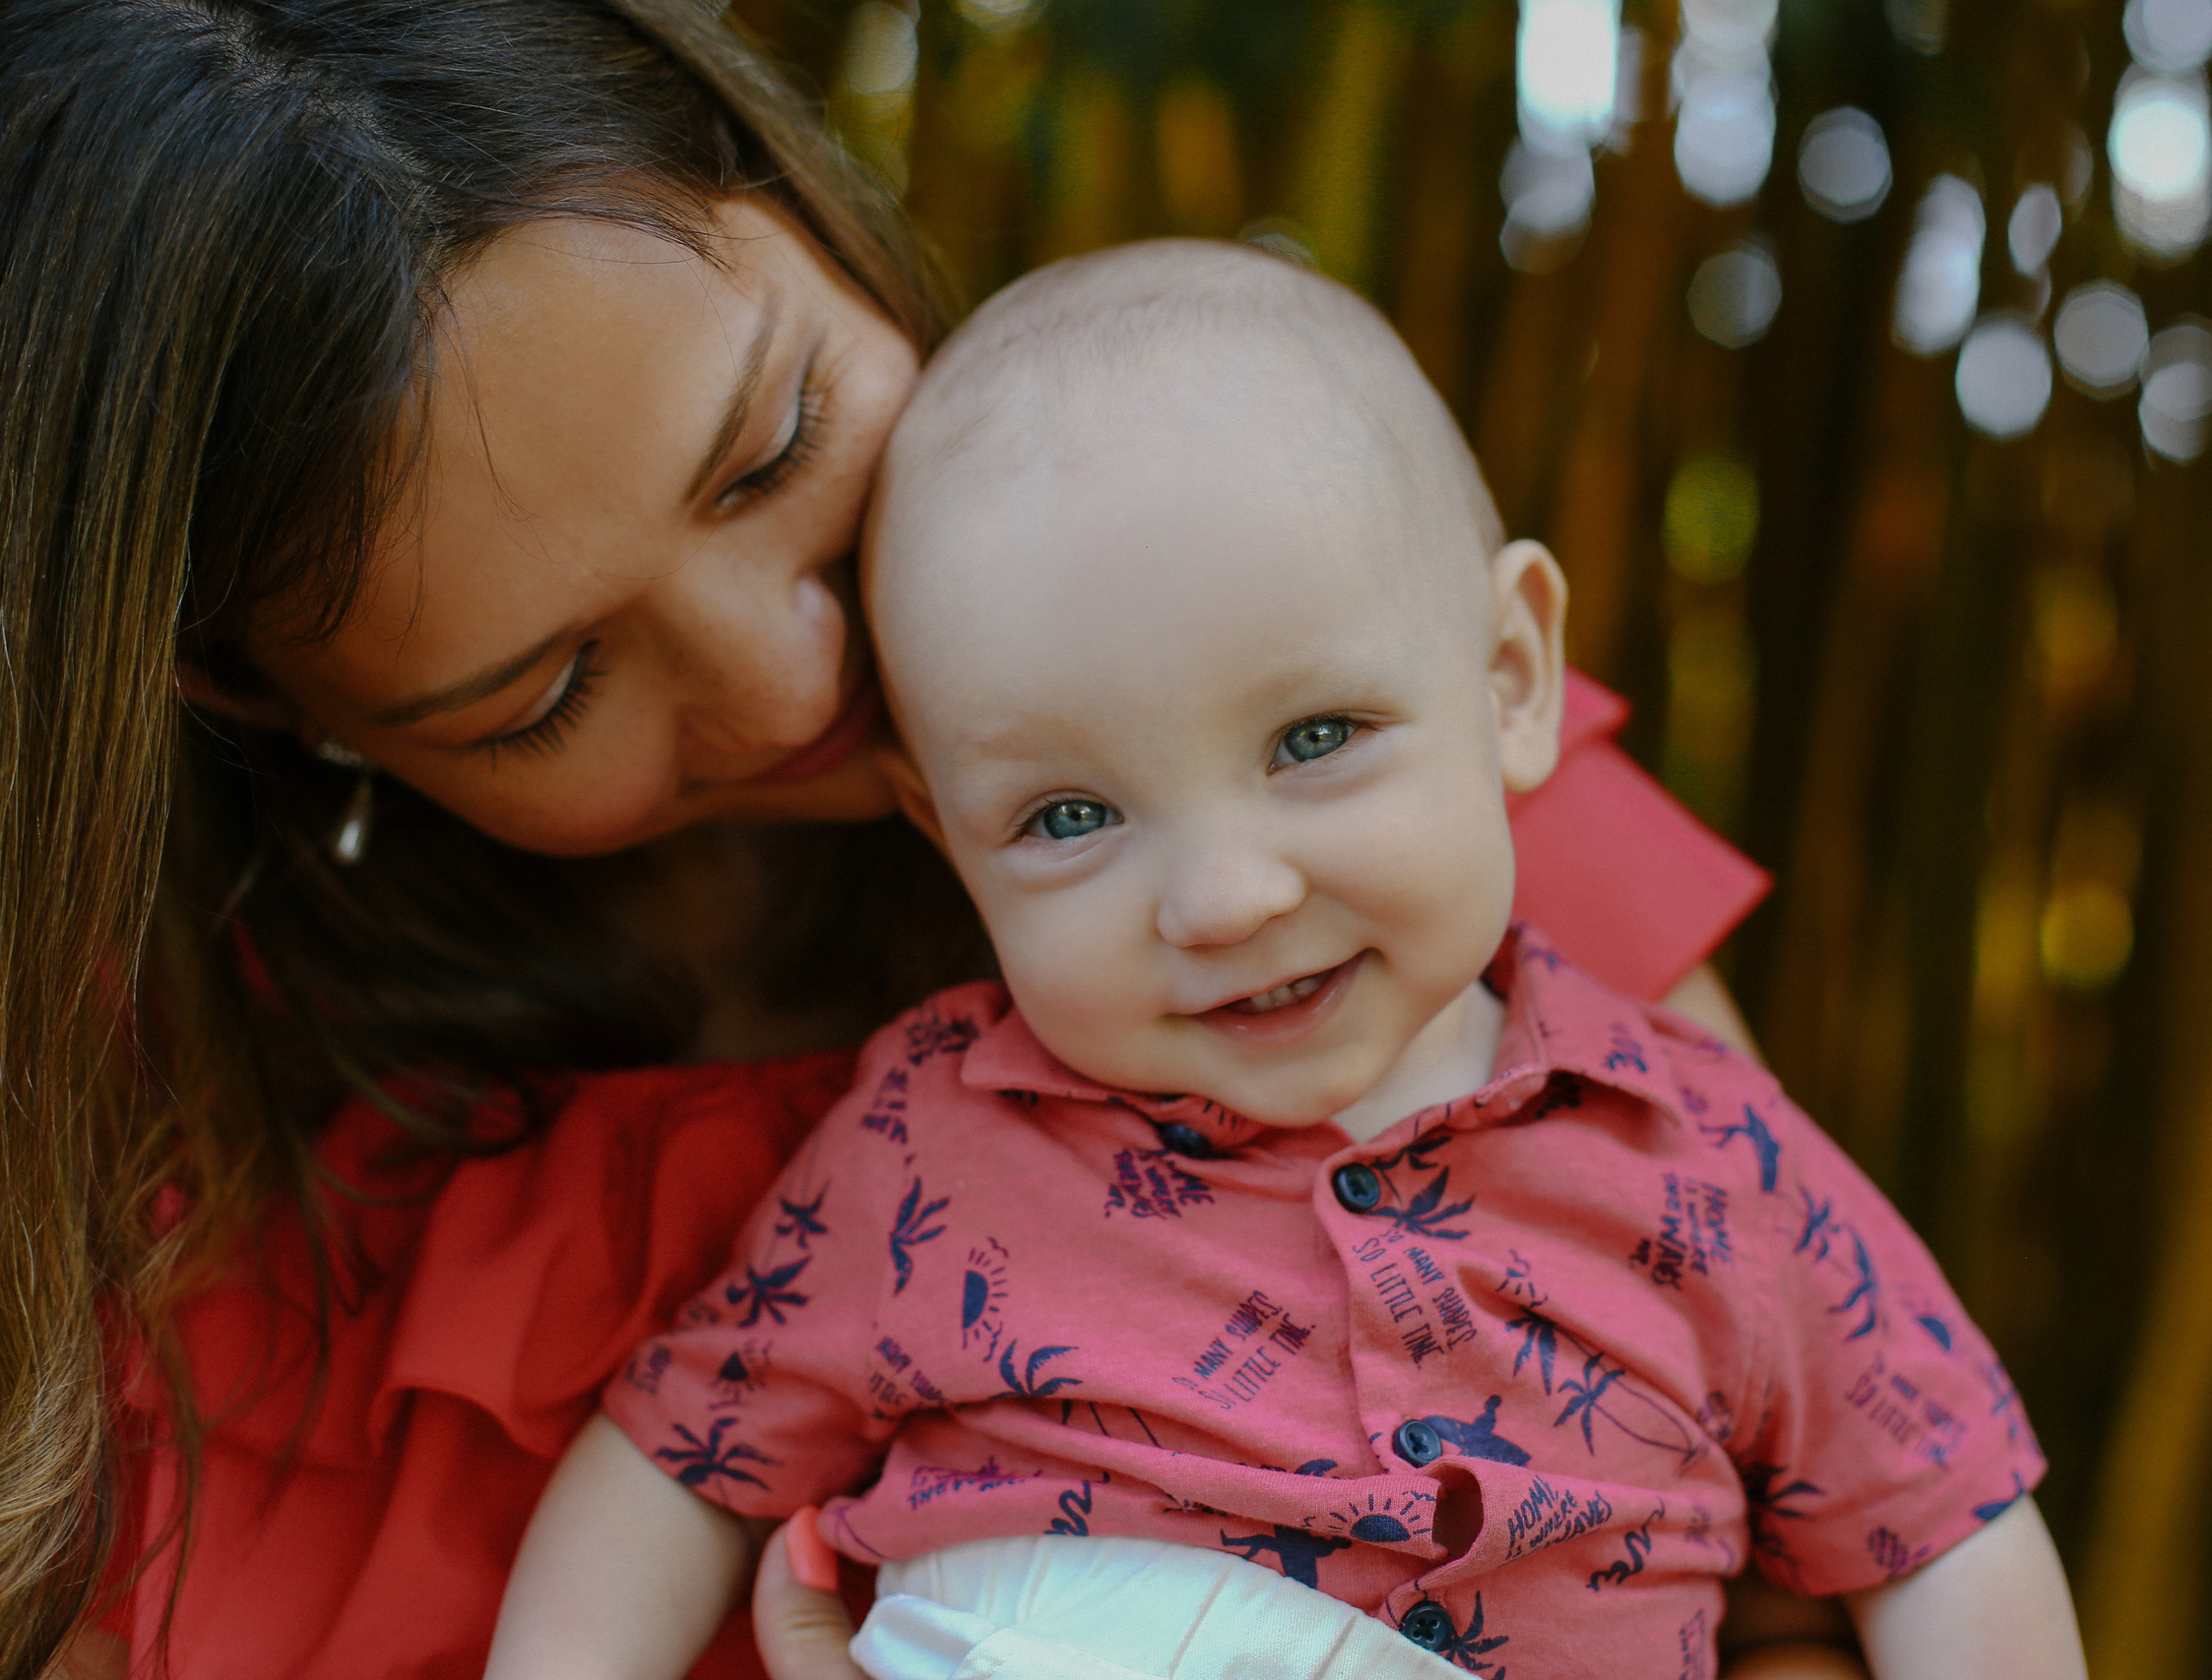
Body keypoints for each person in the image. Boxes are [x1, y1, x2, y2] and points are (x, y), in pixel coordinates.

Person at [0, 5, 1845, 1679]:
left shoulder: (1393, 833)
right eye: (547, 693)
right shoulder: (134, 1130)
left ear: (806, 195)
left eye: (775, 442)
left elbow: (1815, 1583)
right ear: (265, 705)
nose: (795, 674)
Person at [483, 242, 2083, 1680]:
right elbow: (678, 1457)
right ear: (940, 833)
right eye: (1067, 815)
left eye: (1314, 737)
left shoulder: (1708, 1152)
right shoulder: (930, 1142)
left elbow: (1945, 1517)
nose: (1225, 896)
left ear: (1513, 676)